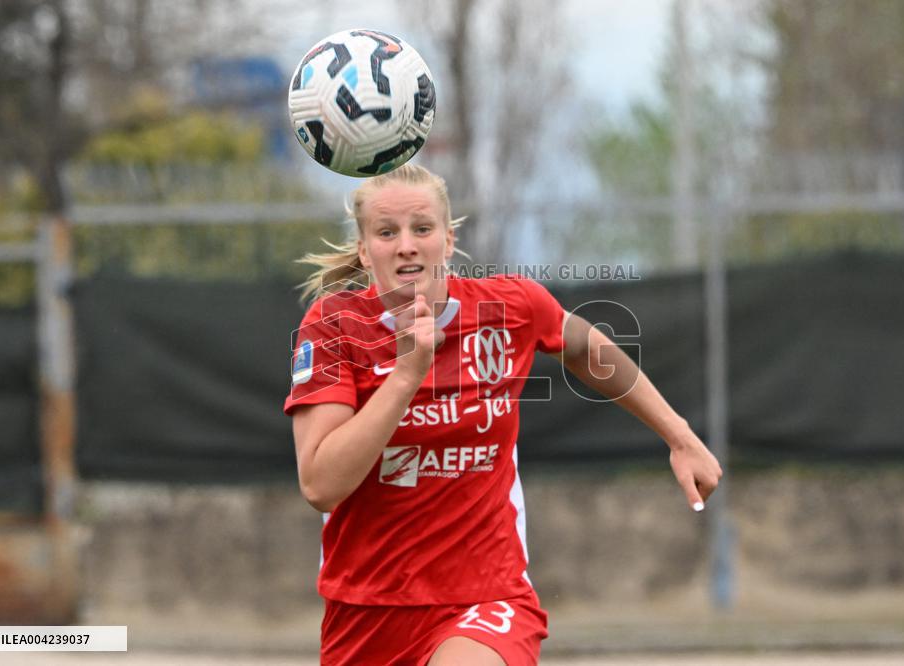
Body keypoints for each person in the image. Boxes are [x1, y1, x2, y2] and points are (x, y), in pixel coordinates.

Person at [284, 163, 722, 665]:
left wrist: (680, 437)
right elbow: (320, 485)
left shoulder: (508, 306)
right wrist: (406, 376)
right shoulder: (334, 326)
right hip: (367, 607)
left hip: (486, 595)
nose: (406, 244)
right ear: (364, 250)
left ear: (447, 242)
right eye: (387, 232)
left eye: (422, 228)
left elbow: (585, 348)